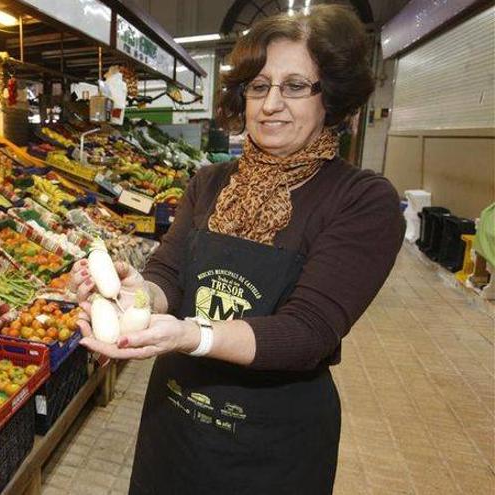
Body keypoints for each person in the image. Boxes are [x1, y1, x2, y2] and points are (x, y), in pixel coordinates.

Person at [69, 5, 405, 494]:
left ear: (329, 96)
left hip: (273, 448)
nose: (271, 104)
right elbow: (169, 276)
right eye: (259, 85)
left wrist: (191, 335)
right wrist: (135, 296)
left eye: (294, 86)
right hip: (175, 428)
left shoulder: (360, 201)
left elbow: (306, 332)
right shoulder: (209, 182)